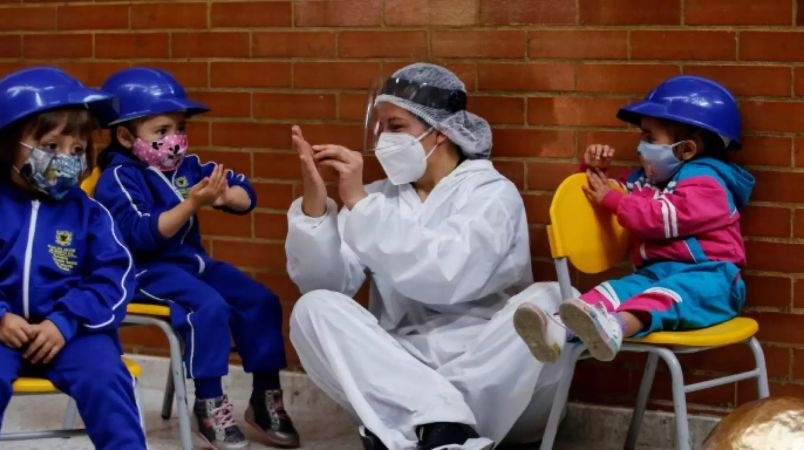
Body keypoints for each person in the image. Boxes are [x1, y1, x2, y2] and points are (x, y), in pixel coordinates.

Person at [286, 62, 566, 450]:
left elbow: (446, 276)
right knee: (313, 308)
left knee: (552, 299)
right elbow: (326, 283)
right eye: (381, 126)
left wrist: (359, 206)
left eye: (397, 127)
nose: (384, 138)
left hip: (490, 373)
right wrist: (316, 206)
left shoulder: (490, 194)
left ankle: (416, 426)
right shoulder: (378, 196)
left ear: (441, 131)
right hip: (405, 365)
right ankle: (442, 429)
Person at [0, 67, 146, 449]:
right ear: (6, 144)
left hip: (73, 332)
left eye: (77, 150)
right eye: (52, 147)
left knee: (107, 378)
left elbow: (113, 279)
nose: (67, 159)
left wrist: (65, 320)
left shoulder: (91, 214)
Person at [94, 67, 298, 450]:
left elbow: (244, 191)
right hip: (144, 273)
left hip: (194, 265)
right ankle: (209, 402)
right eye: (160, 131)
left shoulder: (187, 167)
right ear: (124, 135)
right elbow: (141, 234)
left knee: (260, 300)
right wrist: (191, 205)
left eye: (179, 127)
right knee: (209, 307)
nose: (174, 140)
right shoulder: (118, 177)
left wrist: (224, 197)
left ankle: (265, 396)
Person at [514, 75, 753, 363]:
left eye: (650, 138)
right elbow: (610, 198)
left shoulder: (709, 184)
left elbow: (658, 217)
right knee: (608, 293)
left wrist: (614, 200)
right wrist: (594, 171)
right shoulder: (646, 182)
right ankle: (555, 331)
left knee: (663, 296)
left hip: (711, 278)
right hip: (654, 274)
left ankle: (616, 327)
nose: (641, 147)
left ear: (686, 149)